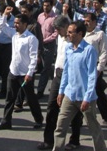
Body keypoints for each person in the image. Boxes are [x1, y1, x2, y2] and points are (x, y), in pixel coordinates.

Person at [52, 21, 107, 151]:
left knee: (93, 127)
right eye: (68, 32)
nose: (68, 34)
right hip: (69, 95)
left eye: (71, 32)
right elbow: (66, 71)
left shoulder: (89, 50)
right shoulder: (68, 48)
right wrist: (61, 91)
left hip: (85, 97)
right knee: (60, 126)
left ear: (80, 34)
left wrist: (87, 98)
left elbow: (92, 76)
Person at [0, 9, 43, 130]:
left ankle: (38, 119)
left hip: (25, 75)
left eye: (17, 23)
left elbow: (33, 57)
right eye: (14, 23)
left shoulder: (31, 39)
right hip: (13, 72)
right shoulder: (14, 34)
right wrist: (5, 15)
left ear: (24, 24)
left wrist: (30, 73)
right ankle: (6, 121)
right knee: (10, 98)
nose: (15, 25)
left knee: (30, 98)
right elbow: (2, 27)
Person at [38, 15, 82, 151]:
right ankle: (48, 141)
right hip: (58, 75)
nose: (57, 32)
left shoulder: (74, 40)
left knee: (74, 109)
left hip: (72, 76)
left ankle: (74, 140)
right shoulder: (60, 37)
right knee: (52, 107)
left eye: (59, 29)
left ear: (66, 27)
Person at [37, 0, 58, 98]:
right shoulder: (40, 16)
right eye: (44, 5)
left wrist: (45, 40)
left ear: (51, 6)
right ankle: (56, 78)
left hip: (49, 45)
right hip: (39, 44)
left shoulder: (55, 18)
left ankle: (40, 91)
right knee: (44, 67)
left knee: (45, 68)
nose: (45, 7)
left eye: (47, 6)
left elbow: (56, 33)